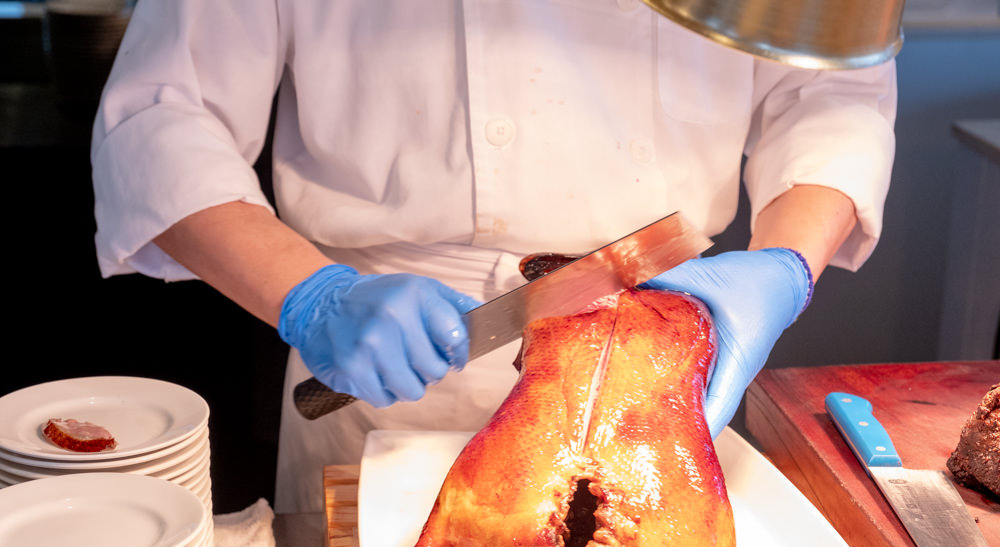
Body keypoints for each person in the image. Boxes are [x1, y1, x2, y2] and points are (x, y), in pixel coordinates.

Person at [91, 1, 896, 513]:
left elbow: (832, 86)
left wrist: (785, 264)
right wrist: (314, 297)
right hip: (386, 391)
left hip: (660, 359)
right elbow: (163, 119)